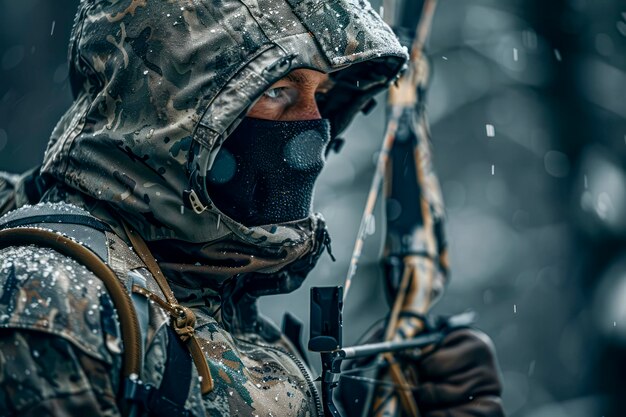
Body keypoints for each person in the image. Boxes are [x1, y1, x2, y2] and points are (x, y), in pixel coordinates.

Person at [0, 0, 505, 416]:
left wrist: (366, 403)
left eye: (321, 96)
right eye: (279, 92)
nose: (313, 130)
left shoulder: (211, 293)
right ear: (171, 112)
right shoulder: (53, 303)